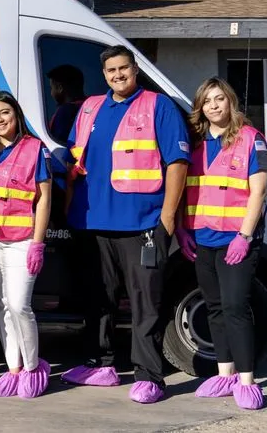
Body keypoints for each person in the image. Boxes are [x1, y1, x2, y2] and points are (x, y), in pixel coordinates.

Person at [62, 45, 189, 404]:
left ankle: (150, 376)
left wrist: (167, 218)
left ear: (135, 69)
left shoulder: (158, 106)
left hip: (142, 223)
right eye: (111, 70)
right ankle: (100, 365)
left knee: (145, 303)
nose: (117, 75)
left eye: (123, 68)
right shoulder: (90, 107)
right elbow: (73, 161)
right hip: (92, 222)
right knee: (97, 299)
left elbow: (178, 163)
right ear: (104, 75)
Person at [177, 77, 267, 410]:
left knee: (235, 308)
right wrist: (183, 229)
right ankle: (224, 375)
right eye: (207, 101)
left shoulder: (251, 139)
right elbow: (186, 190)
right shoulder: (195, 143)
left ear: (230, 101)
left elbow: (259, 191)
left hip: (236, 241)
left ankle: (247, 381)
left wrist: (244, 236)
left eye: (219, 99)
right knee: (214, 308)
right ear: (199, 107)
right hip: (202, 239)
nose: (214, 106)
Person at [0, 91, 53, 399]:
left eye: (5, 112)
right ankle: (14, 368)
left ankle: (34, 368)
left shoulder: (35, 148)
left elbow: (44, 198)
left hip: (23, 239)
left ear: (16, 115)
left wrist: (38, 242)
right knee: (3, 305)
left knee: (21, 305)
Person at [47, 64, 86, 143]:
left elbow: (58, 141)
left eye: (52, 88)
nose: (51, 93)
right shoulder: (91, 107)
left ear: (60, 88)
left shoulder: (64, 112)